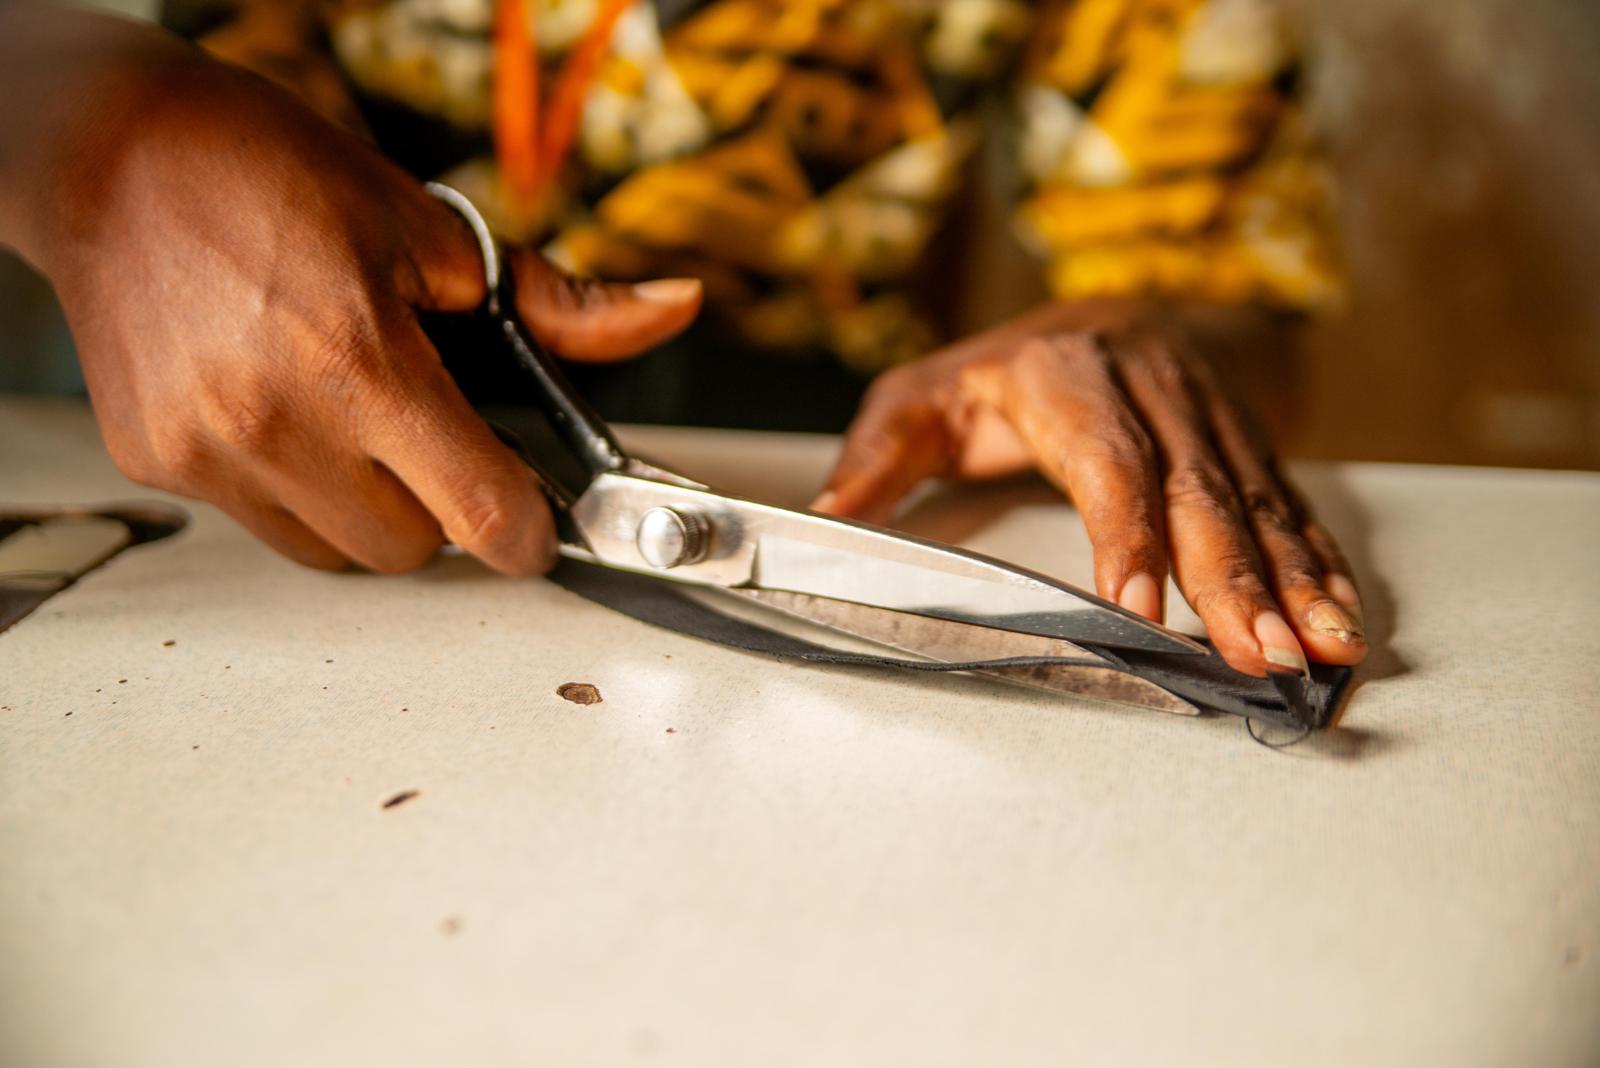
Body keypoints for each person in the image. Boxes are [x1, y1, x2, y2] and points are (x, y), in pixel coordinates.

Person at [0, 0, 1367, 679]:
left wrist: (1143, 332)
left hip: (812, 432)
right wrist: (83, 137)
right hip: (226, 417)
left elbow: (1237, 287)